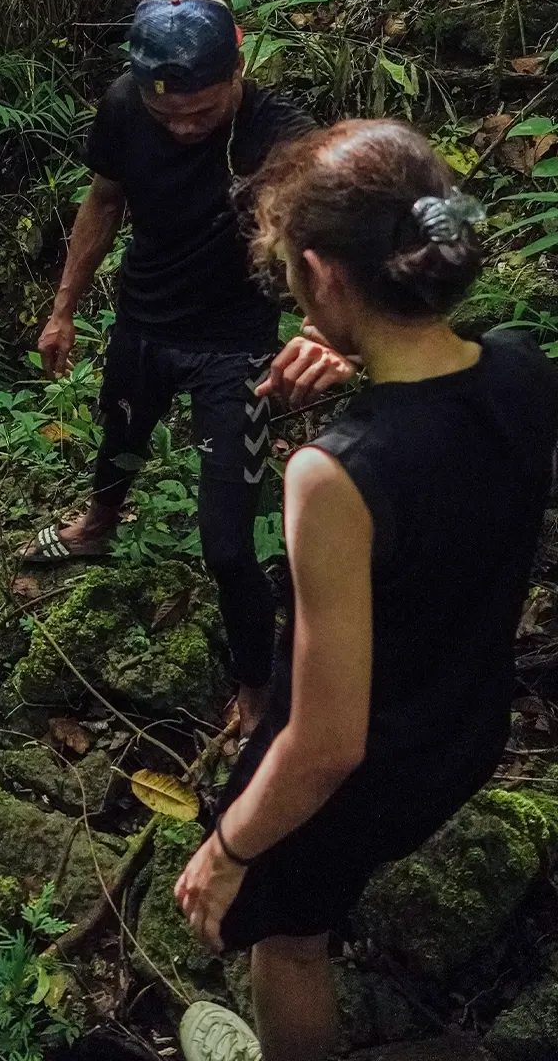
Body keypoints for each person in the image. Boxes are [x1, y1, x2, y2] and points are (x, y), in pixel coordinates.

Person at [173, 120, 558, 1061]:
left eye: (290, 272)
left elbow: (325, 742)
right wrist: (363, 362)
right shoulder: (522, 365)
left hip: (361, 772)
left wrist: (228, 850)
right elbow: (444, 438)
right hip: (465, 731)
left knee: (286, 941)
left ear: (323, 274)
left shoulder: (335, 475)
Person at [26, 0, 352, 735]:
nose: (181, 128)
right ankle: (97, 525)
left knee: (228, 547)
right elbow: (105, 199)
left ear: (238, 72)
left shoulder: (279, 134)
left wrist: (319, 326)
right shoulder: (124, 105)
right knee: (119, 434)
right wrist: (63, 307)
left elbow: (334, 230)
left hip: (234, 347)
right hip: (143, 318)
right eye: (166, 113)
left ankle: (256, 685)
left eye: (201, 113)